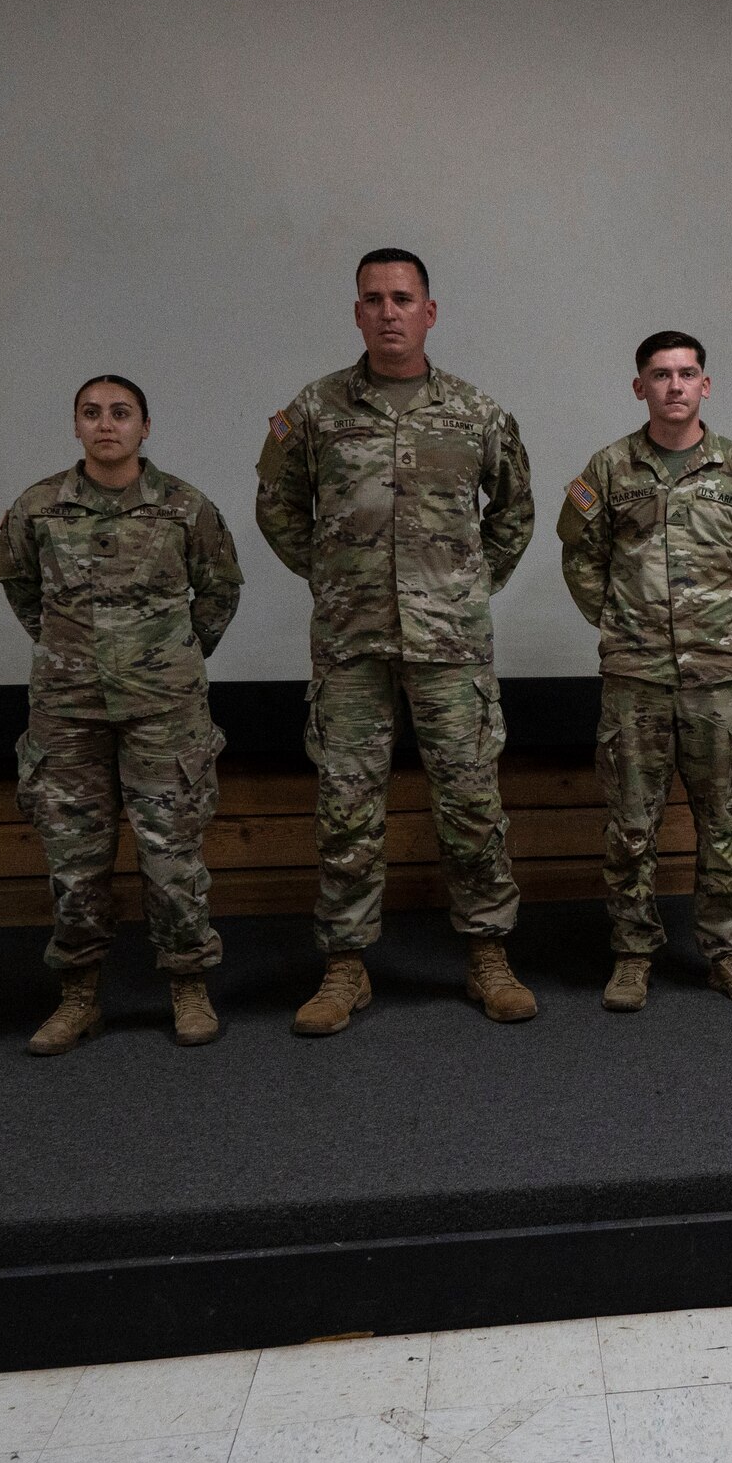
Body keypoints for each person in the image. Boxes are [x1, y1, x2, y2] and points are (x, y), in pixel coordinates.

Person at [256, 248, 537, 1032]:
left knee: (472, 803)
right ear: (356, 313)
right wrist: (334, 577)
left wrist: (466, 586)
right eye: (373, 299)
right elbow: (276, 506)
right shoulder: (313, 411)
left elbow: (514, 511)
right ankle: (345, 968)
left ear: (429, 312)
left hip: (450, 648)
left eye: (403, 298)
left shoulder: (477, 413)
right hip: (351, 647)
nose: (388, 312)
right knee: (346, 808)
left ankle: (488, 956)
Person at [0, 375, 242, 1053]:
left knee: (172, 855)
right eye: (92, 413)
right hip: (67, 711)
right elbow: (23, 592)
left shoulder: (187, 508)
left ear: (145, 426)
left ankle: (188, 985)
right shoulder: (37, 509)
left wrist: (165, 657)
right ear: (75, 425)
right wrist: (74, 655)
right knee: (74, 859)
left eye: (122, 413)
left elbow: (219, 593)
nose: (107, 424)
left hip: (164, 711)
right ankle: (78, 995)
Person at [557, 332, 732, 1011]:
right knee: (631, 824)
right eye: (661, 375)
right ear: (640, 388)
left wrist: (725, 627)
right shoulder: (608, 469)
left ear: (706, 385)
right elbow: (581, 561)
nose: (676, 386)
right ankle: (632, 955)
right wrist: (624, 626)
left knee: (724, 822)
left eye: (688, 373)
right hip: (637, 678)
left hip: (719, 678)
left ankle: (728, 953)